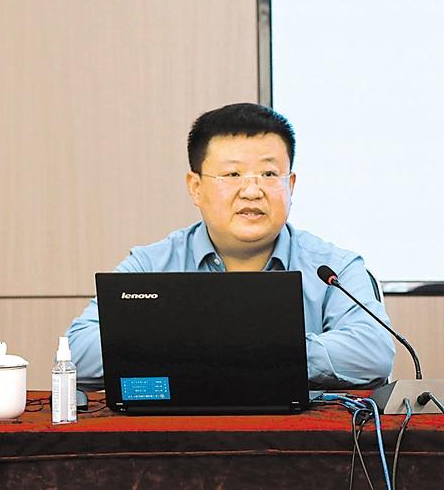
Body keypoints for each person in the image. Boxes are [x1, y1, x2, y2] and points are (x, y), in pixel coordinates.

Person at [66, 103, 395, 390]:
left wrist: (220, 352)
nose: (252, 191)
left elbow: (373, 352)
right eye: (233, 174)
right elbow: (79, 352)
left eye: (269, 173)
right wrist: (249, 352)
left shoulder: (334, 267)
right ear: (195, 187)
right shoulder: (151, 265)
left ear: (290, 186)